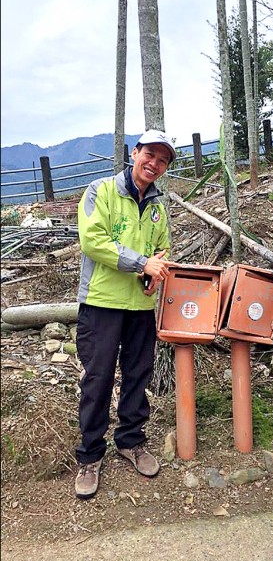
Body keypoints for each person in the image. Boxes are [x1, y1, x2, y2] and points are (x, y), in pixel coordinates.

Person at [74, 129, 177, 500]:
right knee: (98, 379)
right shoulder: (100, 192)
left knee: (138, 375)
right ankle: (90, 454)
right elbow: (93, 242)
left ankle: (131, 441)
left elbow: (161, 249)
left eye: (163, 160)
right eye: (150, 154)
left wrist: (154, 275)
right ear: (134, 152)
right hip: (101, 303)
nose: (155, 163)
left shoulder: (157, 207)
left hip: (139, 307)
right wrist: (142, 264)